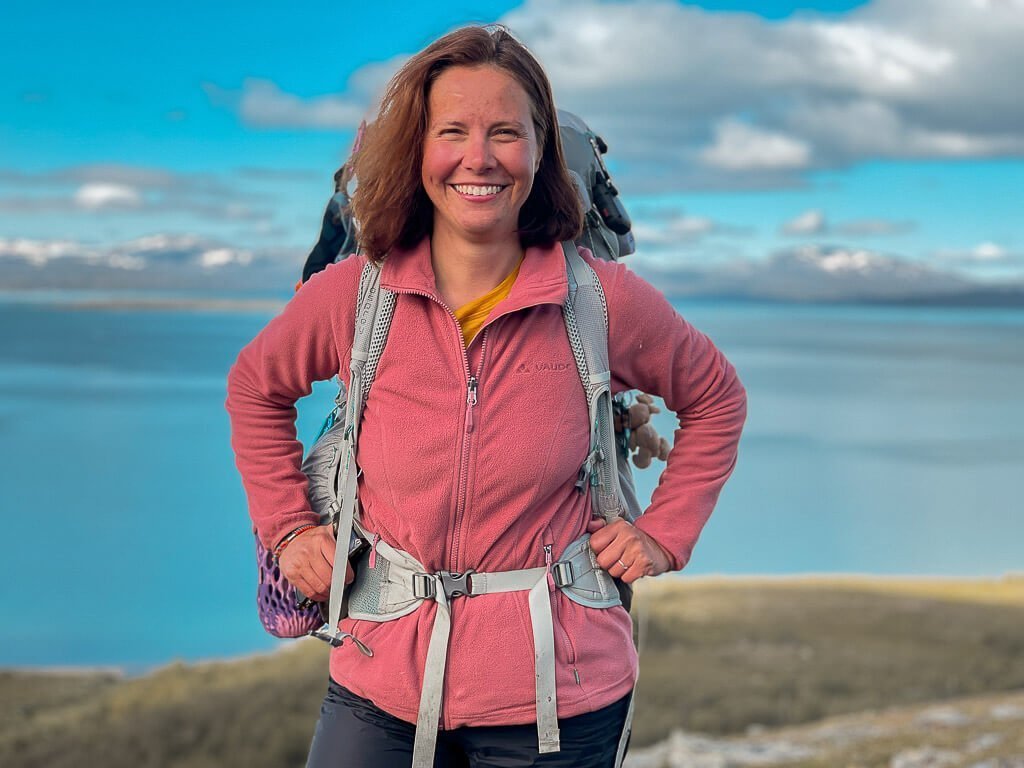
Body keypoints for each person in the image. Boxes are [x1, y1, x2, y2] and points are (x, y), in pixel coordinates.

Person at [226, 24, 746, 768]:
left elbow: (717, 397)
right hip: (378, 677)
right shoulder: (357, 293)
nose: (480, 158)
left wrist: (663, 534)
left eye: (507, 132)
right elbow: (255, 386)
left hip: (562, 697)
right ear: (418, 148)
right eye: (453, 132)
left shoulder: (599, 302)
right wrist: (287, 529)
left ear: (541, 153)